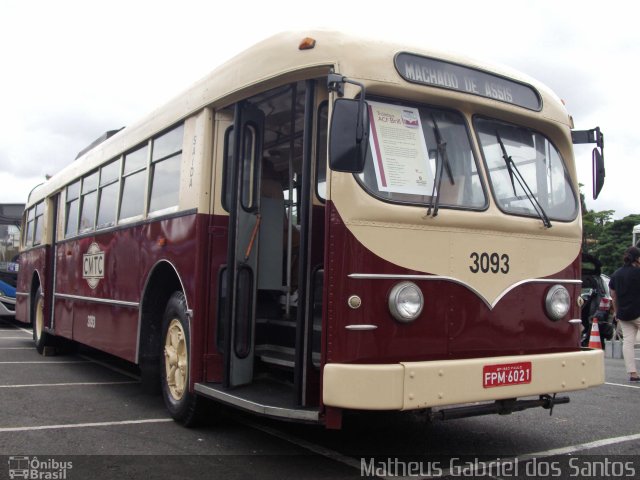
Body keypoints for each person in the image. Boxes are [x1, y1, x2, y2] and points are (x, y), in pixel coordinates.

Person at [609, 246, 640, 382]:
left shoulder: (616, 274)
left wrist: (616, 313)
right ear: (637, 258)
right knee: (629, 341)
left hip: (623, 314)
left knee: (628, 342)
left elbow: (613, 296)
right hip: (638, 312)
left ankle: (633, 373)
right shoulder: (638, 272)